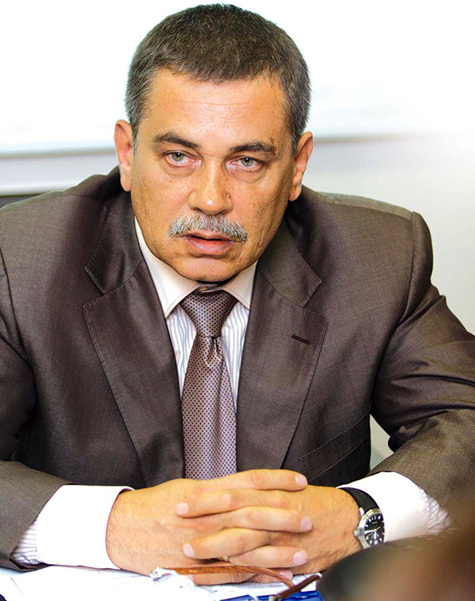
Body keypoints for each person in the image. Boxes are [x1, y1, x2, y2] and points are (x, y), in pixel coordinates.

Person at [0, 3, 474, 584]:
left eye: (247, 161)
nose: (210, 199)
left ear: (296, 165)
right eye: (179, 156)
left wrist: (361, 517)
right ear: (127, 152)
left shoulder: (377, 256)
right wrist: (113, 526)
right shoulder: (21, 260)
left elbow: (465, 419)